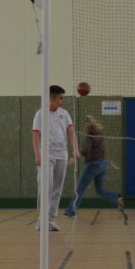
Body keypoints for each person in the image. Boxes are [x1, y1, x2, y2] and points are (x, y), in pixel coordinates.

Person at [31, 84, 80, 232]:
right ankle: (41, 220)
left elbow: (71, 132)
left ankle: (51, 220)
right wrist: (37, 156)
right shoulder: (40, 114)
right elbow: (35, 136)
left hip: (62, 154)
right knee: (46, 186)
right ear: (51, 99)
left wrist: (75, 150)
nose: (62, 101)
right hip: (46, 153)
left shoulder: (64, 114)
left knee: (57, 189)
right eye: (60, 98)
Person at [65, 116, 122, 217]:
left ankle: (71, 211)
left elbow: (84, 151)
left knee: (80, 189)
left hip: (93, 165)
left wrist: (74, 158)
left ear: (88, 128)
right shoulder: (100, 135)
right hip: (103, 164)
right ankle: (116, 198)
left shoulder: (89, 138)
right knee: (100, 190)